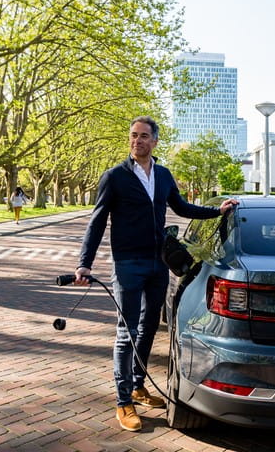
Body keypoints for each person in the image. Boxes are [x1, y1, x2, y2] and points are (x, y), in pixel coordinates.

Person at [75, 116, 238, 432]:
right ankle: (123, 401)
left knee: (149, 327)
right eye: (133, 135)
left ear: (155, 141)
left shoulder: (163, 175)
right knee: (127, 331)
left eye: (144, 136)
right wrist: (85, 263)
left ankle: (138, 386)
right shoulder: (115, 177)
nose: (137, 140)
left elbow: (182, 207)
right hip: (127, 265)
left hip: (157, 264)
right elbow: (96, 222)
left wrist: (217, 211)